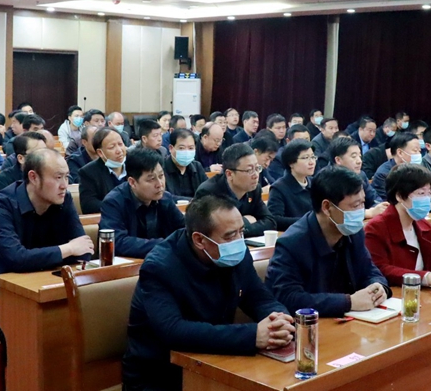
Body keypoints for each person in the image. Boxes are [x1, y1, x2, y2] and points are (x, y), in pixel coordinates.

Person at [123, 195, 293, 391]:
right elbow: (173, 330)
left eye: (241, 231)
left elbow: (259, 297)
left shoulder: (235, 252)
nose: (239, 241)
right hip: (160, 375)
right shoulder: (159, 267)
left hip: (217, 360)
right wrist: (253, 335)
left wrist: (279, 320)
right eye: (230, 236)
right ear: (200, 240)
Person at [0, 148, 93, 345]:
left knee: (79, 321)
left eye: (66, 177)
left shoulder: (63, 200)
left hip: (45, 286)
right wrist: (68, 249)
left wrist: (73, 250)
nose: (64, 185)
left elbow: (85, 249)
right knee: (33, 329)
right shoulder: (2, 204)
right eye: (58, 177)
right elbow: (17, 258)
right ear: (33, 177)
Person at [265, 166, 390, 317]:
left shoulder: (353, 232)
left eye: (363, 203)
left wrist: (377, 286)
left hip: (352, 321)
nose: (361, 211)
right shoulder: (292, 243)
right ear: (327, 207)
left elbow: (369, 270)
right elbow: (288, 298)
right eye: (355, 206)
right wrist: (348, 302)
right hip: (312, 325)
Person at [365, 163, 431, 288]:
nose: (426, 199)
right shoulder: (376, 228)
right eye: (421, 193)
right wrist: (426, 278)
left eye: (429, 193)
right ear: (399, 196)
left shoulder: (422, 224)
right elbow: (381, 269)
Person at [100, 148, 185, 258]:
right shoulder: (113, 202)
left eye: (161, 176)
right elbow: (117, 242)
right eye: (151, 179)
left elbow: (183, 229)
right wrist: (166, 244)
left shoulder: (165, 198)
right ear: (132, 182)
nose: (159, 184)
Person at [194, 144, 276, 237]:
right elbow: (215, 232)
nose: (256, 175)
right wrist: (246, 221)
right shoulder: (209, 192)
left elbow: (270, 222)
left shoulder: (254, 189)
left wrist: (242, 228)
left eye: (257, 168)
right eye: (249, 170)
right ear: (229, 174)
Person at [324, 137, 388, 217]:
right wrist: (366, 213)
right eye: (354, 156)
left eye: (360, 156)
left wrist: (378, 208)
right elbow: (335, 213)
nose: (359, 161)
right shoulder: (327, 180)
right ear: (338, 160)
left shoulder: (361, 175)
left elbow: (375, 199)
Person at [266, 139, 316, 230]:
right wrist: (308, 221)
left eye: (313, 157)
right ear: (291, 163)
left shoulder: (315, 183)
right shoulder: (279, 188)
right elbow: (275, 219)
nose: (311, 162)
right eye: (305, 158)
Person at [78, 127, 128, 214]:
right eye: (112, 147)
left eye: (120, 144)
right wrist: (119, 207)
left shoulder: (135, 164)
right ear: (100, 153)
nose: (119, 150)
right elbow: (88, 205)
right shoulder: (88, 172)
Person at [372, 132, 422, 202]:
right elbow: (387, 201)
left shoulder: (418, 169)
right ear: (400, 153)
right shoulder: (384, 174)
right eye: (415, 150)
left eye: (419, 151)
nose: (419, 154)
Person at [162, 128, 207, 201]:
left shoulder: (197, 167)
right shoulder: (162, 168)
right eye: (181, 148)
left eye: (191, 148)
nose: (186, 152)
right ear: (171, 148)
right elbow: (163, 196)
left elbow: (207, 191)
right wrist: (192, 201)